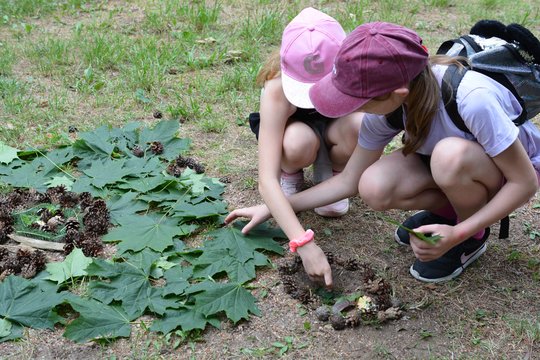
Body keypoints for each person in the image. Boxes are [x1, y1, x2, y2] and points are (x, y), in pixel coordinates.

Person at [226, 21, 540, 286]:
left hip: (503, 170)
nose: (351, 108)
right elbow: (349, 181)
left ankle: (471, 236)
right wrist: (275, 207)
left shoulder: (473, 99)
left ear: (397, 93)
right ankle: (449, 213)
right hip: (450, 164)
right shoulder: (389, 107)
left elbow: (524, 183)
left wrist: (458, 233)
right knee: (372, 184)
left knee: (449, 156)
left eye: (358, 100)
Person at [241, 8, 363, 283]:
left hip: (335, 130)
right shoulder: (277, 89)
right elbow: (266, 181)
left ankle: (333, 170)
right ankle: (292, 172)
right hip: (297, 136)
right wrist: (303, 242)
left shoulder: (354, 76)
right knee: (298, 143)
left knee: (360, 124)